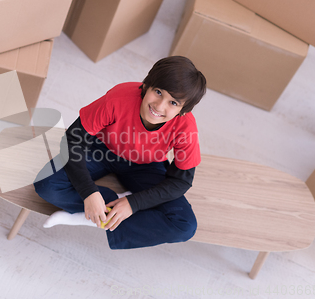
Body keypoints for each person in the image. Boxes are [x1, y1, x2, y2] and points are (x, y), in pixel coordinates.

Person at [34, 56, 207, 249]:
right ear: (146, 85)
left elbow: (181, 181)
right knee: (47, 185)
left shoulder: (186, 127)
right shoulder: (119, 98)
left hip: (146, 165)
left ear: (183, 111)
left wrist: (134, 203)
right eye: (158, 92)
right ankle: (106, 208)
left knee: (185, 226)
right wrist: (89, 192)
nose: (159, 106)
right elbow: (73, 139)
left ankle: (90, 216)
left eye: (173, 103)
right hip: (101, 149)